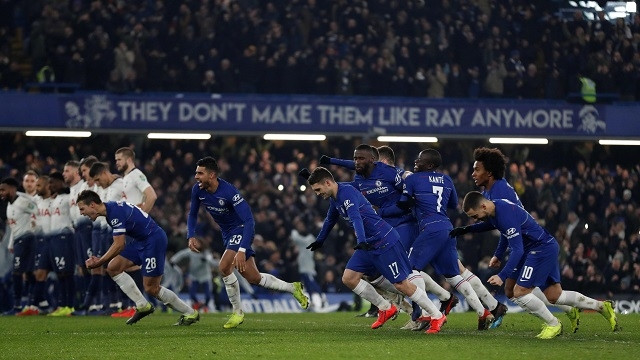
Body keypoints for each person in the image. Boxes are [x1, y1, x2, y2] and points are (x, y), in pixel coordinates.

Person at [321, 145, 457, 327]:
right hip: (381, 230)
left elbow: (409, 199)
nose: (357, 163)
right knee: (371, 274)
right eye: (356, 160)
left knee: (407, 271)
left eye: (362, 159)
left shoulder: (395, 175)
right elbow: (344, 177)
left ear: (380, 162)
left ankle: (421, 313)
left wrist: (386, 209)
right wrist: (329, 162)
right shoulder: (360, 180)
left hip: (404, 225)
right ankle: (437, 299)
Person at [461, 191, 619, 339]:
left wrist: (502, 275)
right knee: (545, 295)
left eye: (475, 216)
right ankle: (601, 306)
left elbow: (517, 249)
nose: (476, 219)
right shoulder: (495, 210)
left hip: (540, 249)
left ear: (482, 206)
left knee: (520, 291)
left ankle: (553, 324)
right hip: (531, 249)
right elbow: (505, 233)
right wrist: (498, 254)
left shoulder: (504, 211)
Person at [450, 147, 574, 330]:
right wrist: (468, 230)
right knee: (514, 290)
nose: (473, 173)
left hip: (527, 244)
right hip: (520, 242)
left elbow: (505, 226)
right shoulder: (489, 191)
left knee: (521, 290)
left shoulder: (500, 192)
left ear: (489, 173)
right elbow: (500, 226)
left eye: (477, 169)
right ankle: (567, 309)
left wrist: (499, 256)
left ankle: (556, 321)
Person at [186, 156, 309, 329]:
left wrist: (242, 249)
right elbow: (192, 214)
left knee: (223, 267)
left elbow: (249, 221)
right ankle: (292, 288)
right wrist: (191, 235)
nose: (196, 177)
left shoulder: (229, 192)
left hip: (242, 229)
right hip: (227, 233)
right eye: (196, 173)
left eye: (200, 173)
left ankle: (237, 312)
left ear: (212, 175)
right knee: (253, 277)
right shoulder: (197, 190)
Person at [399, 149, 495, 330]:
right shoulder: (447, 179)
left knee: (409, 269)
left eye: (419, 160)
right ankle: (483, 312)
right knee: (453, 275)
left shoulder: (412, 179)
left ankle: (425, 314)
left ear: (429, 164)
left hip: (430, 229)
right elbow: (452, 205)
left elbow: (403, 203)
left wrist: (410, 196)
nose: (415, 162)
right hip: (447, 227)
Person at [77, 189, 200, 326]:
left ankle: (190, 313)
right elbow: (119, 243)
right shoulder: (111, 211)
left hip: (154, 241)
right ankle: (142, 305)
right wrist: (102, 261)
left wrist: (99, 262)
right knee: (113, 268)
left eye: (82, 209)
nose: (81, 213)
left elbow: (119, 245)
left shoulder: (114, 213)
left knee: (151, 288)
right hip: (141, 241)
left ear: (92, 205)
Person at [0, 177, 37, 315]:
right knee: (27, 272)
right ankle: (30, 304)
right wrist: (11, 243)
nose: (1, 192)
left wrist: (34, 226)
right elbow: (13, 226)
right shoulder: (9, 205)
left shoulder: (22, 202)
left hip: (27, 239)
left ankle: (19, 305)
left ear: (12, 189)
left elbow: (37, 210)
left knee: (17, 273)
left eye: (3, 189)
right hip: (18, 240)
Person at [46, 172, 76, 316]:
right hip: (55, 239)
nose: (50, 185)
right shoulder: (55, 199)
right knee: (60, 274)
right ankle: (62, 305)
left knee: (67, 273)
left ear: (61, 183)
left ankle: (69, 306)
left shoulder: (67, 198)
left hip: (65, 237)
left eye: (53, 182)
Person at [170, 244, 218, 312]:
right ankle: (197, 305)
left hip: (205, 276)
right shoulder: (190, 251)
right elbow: (181, 254)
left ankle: (205, 306)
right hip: (194, 276)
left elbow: (212, 261)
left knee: (208, 296)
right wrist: (173, 260)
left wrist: (206, 259)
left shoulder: (205, 253)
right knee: (192, 295)